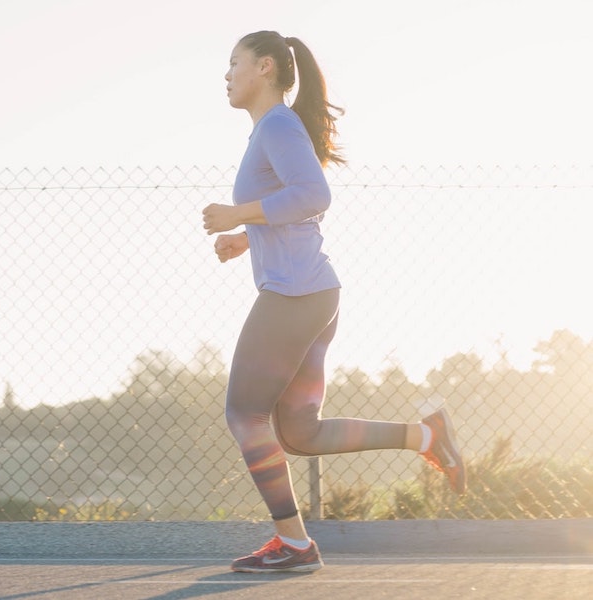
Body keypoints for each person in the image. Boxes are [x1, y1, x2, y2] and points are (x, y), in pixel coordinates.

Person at [201, 31, 466, 574]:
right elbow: (297, 207)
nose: (226, 75)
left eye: (234, 63)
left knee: (244, 413)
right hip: (314, 293)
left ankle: (295, 545)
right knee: (299, 432)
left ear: (266, 67)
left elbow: (315, 195)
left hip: (296, 295)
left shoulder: (275, 124)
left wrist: (238, 214)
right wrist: (247, 237)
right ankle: (427, 435)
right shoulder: (271, 130)